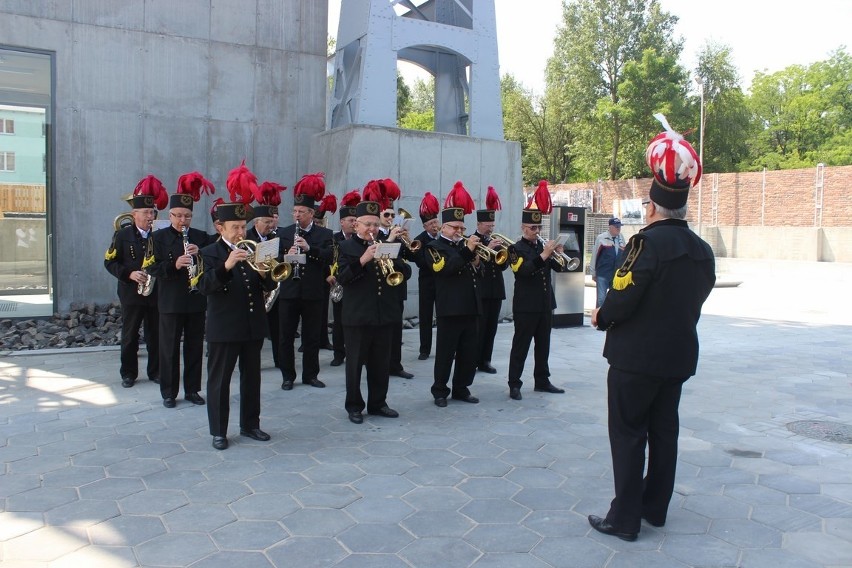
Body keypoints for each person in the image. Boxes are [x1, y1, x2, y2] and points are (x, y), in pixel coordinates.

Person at [588, 116, 715, 542]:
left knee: (627, 435)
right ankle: (654, 508)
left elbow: (623, 297)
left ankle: (624, 518)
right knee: (664, 433)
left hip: (636, 359)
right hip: (677, 357)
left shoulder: (646, 243)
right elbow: (698, 296)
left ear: (655, 207)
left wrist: (602, 315)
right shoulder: (702, 250)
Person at [199, 163, 278, 451]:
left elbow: (269, 286)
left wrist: (266, 271)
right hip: (224, 328)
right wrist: (227, 265)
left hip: (253, 324)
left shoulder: (253, 249)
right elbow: (204, 286)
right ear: (220, 227)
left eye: (242, 226)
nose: (239, 232)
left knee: (252, 378)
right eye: (234, 227)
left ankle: (250, 424)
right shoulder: (210, 253)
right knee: (219, 381)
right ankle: (219, 430)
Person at [336, 200, 408, 423]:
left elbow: (405, 273)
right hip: (358, 316)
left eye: (375, 225)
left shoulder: (387, 244)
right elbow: (343, 278)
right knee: (355, 364)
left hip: (383, 315)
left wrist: (393, 258)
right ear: (356, 225)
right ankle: (354, 406)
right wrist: (364, 259)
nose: (372, 229)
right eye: (367, 224)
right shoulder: (346, 247)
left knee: (380, 363)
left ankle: (378, 403)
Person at [149, 172, 215, 408]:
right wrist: (174, 264)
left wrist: (202, 255)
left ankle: (192, 390)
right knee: (168, 348)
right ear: (170, 215)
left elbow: (214, 259)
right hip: (170, 301)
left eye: (187, 216)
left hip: (195, 299)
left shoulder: (200, 237)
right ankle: (168, 392)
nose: (182, 221)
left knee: (194, 347)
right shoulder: (157, 237)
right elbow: (151, 267)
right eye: (178, 216)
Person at [506, 180, 569, 400]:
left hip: (544, 303)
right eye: (533, 228)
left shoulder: (543, 247)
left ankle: (542, 380)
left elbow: (558, 268)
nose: (537, 231)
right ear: (523, 228)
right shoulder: (514, 249)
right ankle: (514, 383)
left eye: (539, 227)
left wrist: (558, 253)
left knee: (544, 345)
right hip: (525, 305)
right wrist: (544, 255)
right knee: (521, 345)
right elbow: (522, 271)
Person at [104, 175, 168, 388]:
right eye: (146, 213)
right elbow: (109, 262)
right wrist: (129, 274)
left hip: (155, 291)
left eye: (152, 212)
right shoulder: (122, 235)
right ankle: (128, 373)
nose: (150, 216)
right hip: (131, 292)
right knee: (130, 335)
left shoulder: (160, 234)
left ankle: (156, 371)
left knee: (155, 335)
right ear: (134, 215)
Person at [276, 173, 334, 390]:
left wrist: (310, 250)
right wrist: (287, 255)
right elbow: (275, 261)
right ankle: (287, 376)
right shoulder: (284, 233)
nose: (297, 215)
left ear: (311, 213)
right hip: (289, 291)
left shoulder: (325, 233)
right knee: (286, 337)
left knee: (311, 337)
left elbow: (329, 257)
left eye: (301, 212)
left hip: (313, 292)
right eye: (294, 211)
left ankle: (310, 375)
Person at [426, 182, 481, 407]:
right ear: (443, 228)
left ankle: (461, 387)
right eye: (454, 228)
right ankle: (440, 390)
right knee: (446, 352)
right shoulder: (434, 246)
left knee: (469, 352)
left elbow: (475, 270)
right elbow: (447, 269)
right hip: (450, 307)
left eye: (461, 227)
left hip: (470, 305)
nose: (459, 231)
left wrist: (477, 261)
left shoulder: (463, 247)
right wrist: (468, 251)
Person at [370, 178, 415, 379]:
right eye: (386, 214)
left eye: (392, 215)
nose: (390, 218)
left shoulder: (397, 234)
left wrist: (409, 239)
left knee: (396, 329)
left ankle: (395, 365)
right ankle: (378, 365)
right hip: (380, 290)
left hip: (397, 287)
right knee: (379, 331)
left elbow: (413, 256)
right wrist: (390, 239)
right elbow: (377, 255)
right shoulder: (373, 235)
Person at [247, 180, 286, 368]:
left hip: (271, 286)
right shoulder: (247, 238)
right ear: (256, 221)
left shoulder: (275, 238)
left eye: (272, 222)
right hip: (254, 289)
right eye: (267, 222)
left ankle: (280, 360)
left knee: (277, 327)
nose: (271, 225)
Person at [474, 186, 508, 374]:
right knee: (479, 328)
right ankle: (474, 359)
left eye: (492, 225)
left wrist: (502, 252)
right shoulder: (472, 239)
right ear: (479, 224)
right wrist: (488, 246)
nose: (491, 228)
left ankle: (485, 360)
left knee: (491, 328)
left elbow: (502, 266)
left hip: (496, 290)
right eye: (488, 225)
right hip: (481, 290)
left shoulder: (494, 240)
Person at [330, 190, 361, 367]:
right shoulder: (333, 238)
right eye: (351, 221)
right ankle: (338, 354)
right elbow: (329, 258)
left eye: (356, 221)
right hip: (337, 282)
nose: (354, 224)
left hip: (355, 283)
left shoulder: (359, 240)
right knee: (339, 321)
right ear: (342, 222)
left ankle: (354, 352)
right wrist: (329, 275)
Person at [411, 192, 440, 361]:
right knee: (426, 316)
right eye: (431, 223)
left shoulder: (445, 237)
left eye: (436, 222)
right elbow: (420, 261)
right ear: (425, 227)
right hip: (427, 282)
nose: (435, 225)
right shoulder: (419, 240)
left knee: (444, 316)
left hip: (443, 283)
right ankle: (424, 349)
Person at [313, 194, 338, 351]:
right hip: (313, 273)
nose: (317, 224)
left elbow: (330, 254)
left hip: (326, 273)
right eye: (315, 222)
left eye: (319, 222)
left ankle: (324, 339)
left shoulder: (326, 234)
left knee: (322, 310)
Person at [591, 217, 626, 308]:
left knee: (614, 298)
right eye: (616, 227)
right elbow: (594, 255)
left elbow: (624, 254)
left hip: (616, 273)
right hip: (603, 273)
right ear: (610, 227)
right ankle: (598, 318)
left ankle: (610, 319)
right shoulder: (601, 238)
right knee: (601, 299)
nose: (618, 228)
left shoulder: (621, 237)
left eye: (619, 226)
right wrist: (593, 272)